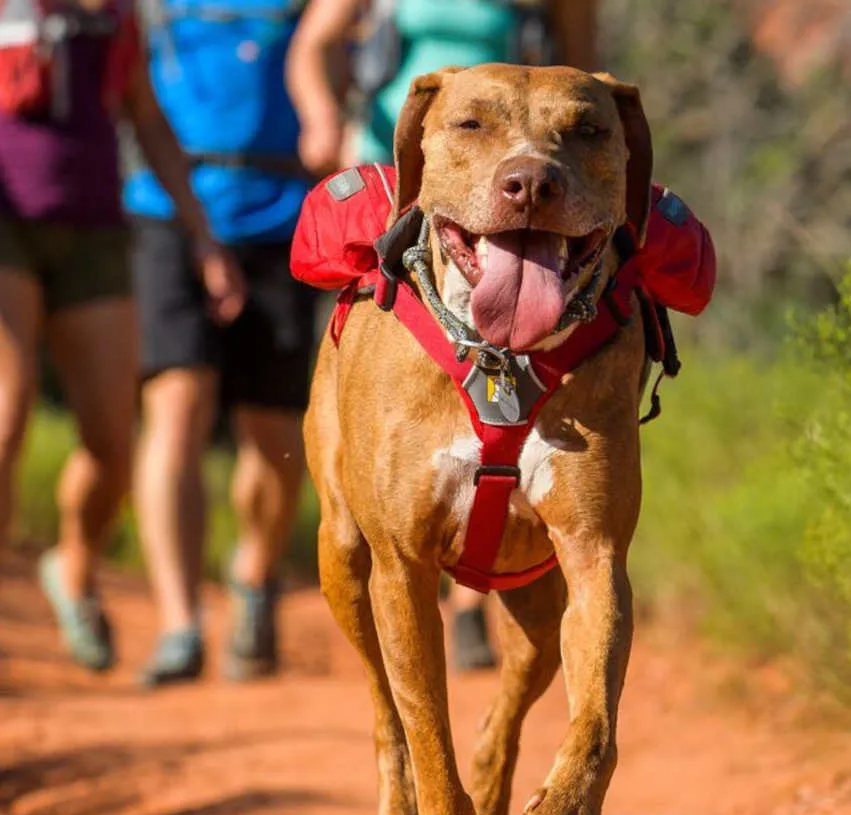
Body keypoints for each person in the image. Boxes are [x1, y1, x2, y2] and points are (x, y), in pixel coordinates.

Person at [286, 0, 597, 670]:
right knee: (411, 415)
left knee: (505, 396)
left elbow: (583, 74)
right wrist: (322, 121)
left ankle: (468, 607)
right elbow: (314, 45)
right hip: (403, 188)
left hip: (522, 188)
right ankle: (410, 565)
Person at [0, 0, 244, 671]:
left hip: (96, 234)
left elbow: (147, 118)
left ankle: (73, 567)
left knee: (111, 443)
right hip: (6, 223)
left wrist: (200, 232)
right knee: (6, 413)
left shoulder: (120, 15)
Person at [125, 0, 344, 686]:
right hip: (166, 211)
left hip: (281, 219)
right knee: (177, 407)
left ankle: (253, 575)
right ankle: (179, 621)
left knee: (274, 433)